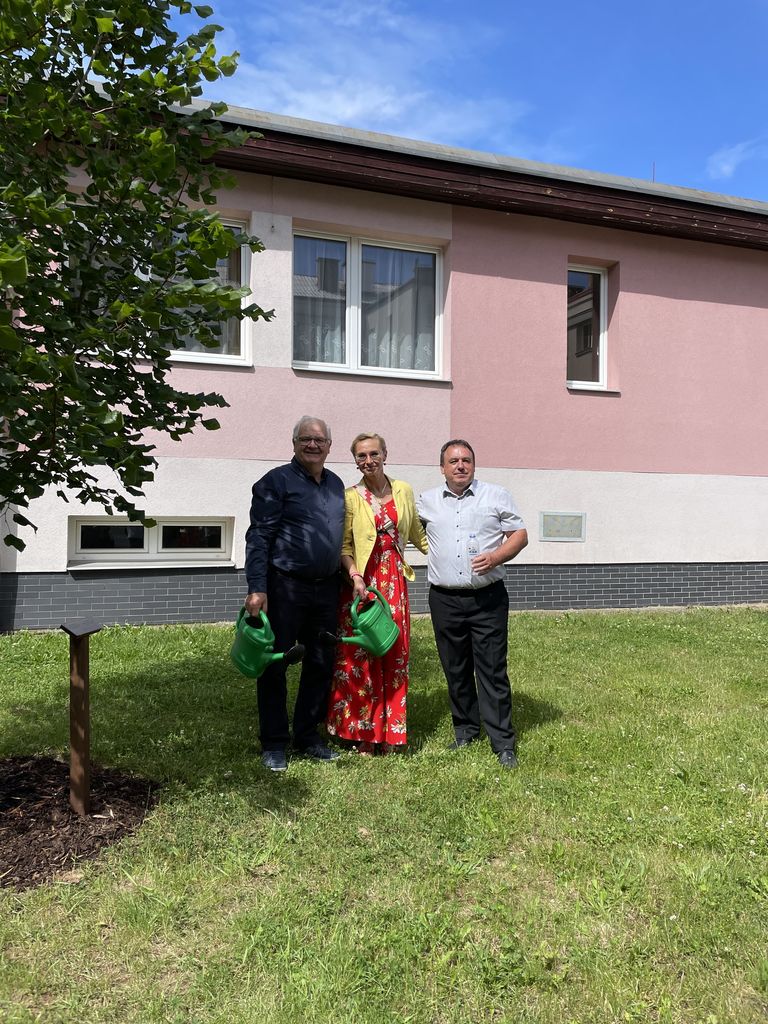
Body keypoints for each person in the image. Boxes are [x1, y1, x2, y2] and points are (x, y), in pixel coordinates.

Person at [416, 440, 528, 769]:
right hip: (444, 600)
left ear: (474, 465)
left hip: (487, 598)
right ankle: (465, 730)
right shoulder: (426, 501)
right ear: (442, 468)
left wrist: (496, 557)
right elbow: (404, 529)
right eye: (453, 461)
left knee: (491, 669)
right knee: (455, 667)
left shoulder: (496, 495)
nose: (460, 465)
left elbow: (519, 535)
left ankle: (502, 741)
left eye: (466, 460)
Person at [244, 416, 345, 772]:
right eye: (305, 439)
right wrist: (257, 587)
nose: (312, 445)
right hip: (285, 586)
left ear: (329, 446)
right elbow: (259, 537)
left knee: (321, 662)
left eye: (319, 440)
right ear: (294, 443)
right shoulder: (274, 482)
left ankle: (307, 735)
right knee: (275, 663)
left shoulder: (336, 484)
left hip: (327, 587)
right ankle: (274, 742)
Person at [326, 432, 428, 754]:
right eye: (361, 456)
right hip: (362, 584)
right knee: (361, 655)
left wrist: (453, 558)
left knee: (394, 651)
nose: (368, 461)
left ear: (385, 454)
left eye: (374, 454)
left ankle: (391, 733)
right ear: (355, 461)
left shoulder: (403, 490)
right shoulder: (350, 496)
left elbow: (418, 534)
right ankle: (363, 734)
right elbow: (344, 546)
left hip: (394, 582)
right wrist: (355, 576)